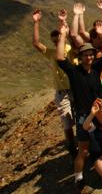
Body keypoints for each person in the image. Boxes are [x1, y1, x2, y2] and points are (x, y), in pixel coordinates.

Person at [56, 20, 102, 189]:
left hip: (101, 113)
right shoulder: (74, 71)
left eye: (91, 54)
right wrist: (64, 35)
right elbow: (60, 58)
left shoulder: (96, 67)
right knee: (83, 150)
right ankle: (78, 178)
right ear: (79, 57)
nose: (88, 57)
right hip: (84, 116)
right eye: (85, 54)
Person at [32, 9, 76, 156]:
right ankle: (72, 148)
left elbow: (69, 34)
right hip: (62, 93)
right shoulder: (51, 53)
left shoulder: (71, 50)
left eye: (58, 37)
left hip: (76, 89)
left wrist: (63, 21)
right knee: (67, 122)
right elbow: (36, 43)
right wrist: (36, 23)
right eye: (54, 39)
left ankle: (87, 143)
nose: (56, 40)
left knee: (83, 118)